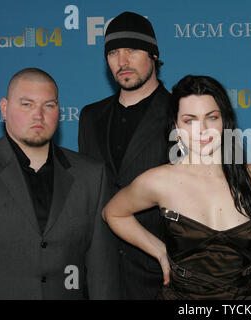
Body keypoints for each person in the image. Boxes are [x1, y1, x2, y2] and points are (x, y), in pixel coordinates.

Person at [103, 75, 251, 299]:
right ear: (176, 126)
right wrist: (160, 251)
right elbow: (113, 213)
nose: (202, 129)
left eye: (211, 117)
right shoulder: (159, 181)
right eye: (190, 120)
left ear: (225, 120)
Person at [0, 68, 119, 299]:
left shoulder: (91, 176)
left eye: (49, 105)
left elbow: (102, 272)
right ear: (4, 108)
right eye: (26, 104)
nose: (38, 115)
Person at [78, 11, 171, 299]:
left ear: (153, 54)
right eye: (114, 52)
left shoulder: (181, 113)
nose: (122, 61)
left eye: (132, 49)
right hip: (100, 273)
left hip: (162, 274)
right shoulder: (91, 117)